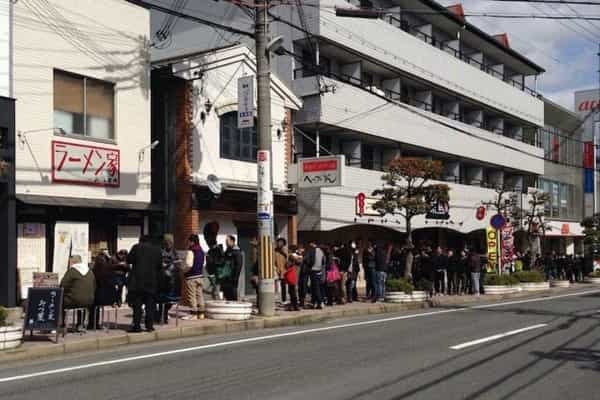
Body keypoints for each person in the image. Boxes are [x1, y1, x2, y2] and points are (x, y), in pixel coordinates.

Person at [127, 235, 163, 333]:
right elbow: (160, 266)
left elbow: (129, 260)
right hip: (151, 281)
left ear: (140, 240)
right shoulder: (157, 250)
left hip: (137, 282)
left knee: (137, 305)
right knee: (150, 305)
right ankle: (149, 326)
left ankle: (137, 326)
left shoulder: (136, 247)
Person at [61, 254, 96, 330]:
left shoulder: (72, 271)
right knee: (80, 301)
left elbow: (63, 285)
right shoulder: (90, 271)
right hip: (89, 301)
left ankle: (61, 324)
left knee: (59, 302)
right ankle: (80, 324)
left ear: (73, 262)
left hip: (75, 301)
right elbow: (94, 286)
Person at [87, 252, 118, 330]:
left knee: (93, 304)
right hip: (109, 299)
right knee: (96, 301)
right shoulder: (111, 271)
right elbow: (114, 285)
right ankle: (95, 324)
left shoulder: (93, 272)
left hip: (98, 299)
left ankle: (92, 324)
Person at [181, 234, 205, 320]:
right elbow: (203, 264)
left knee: (192, 296)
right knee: (199, 295)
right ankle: (201, 313)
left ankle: (194, 314)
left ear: (192, 242)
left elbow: (188, 264)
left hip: (191, 277)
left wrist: (183, 270)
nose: (188, 243)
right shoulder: (201, 251)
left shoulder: (191, 251)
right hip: (200, 276)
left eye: (189, 241)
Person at [303, 240, 325, 309]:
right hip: (320, 271)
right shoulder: (321, 251)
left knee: (315, 288)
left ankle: (320, 302)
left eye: (310, 244)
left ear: (312, 244)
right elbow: (323, 261)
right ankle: (316, 303)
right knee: (318, 287)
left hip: (313, 271)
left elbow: (308, 260)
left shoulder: (312, 251)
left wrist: (308, 266)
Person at [222, 235, 243, 301]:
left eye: (227, 241)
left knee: (233, 292)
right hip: (226, 275)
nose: (226, 243)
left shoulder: (237, 252)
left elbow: (239, 265)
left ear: (232, 241)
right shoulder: (227, 251)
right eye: (226, 241)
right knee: (226, 292)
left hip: (233, 276)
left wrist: (236, 276)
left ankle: (234, 304)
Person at [285, 246, 301, 311]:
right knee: (293, 291)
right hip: (295, 276)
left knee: (292, 292)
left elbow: (287, 265)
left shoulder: (291, 257)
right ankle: (294, 305)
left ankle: (294, 305)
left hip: (292, 276)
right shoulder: (298, 257)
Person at [274, 238, 289, 305]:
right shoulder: (275, 250)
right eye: (278, 242)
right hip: (276, 269)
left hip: (284, 270)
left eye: (280, 242)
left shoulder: (285, 251)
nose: (279, 244)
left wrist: (283, 252)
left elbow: (288, 258)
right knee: (274, 283)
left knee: (283, 285)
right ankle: (274, 297)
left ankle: (284, 299)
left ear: (283, 243)